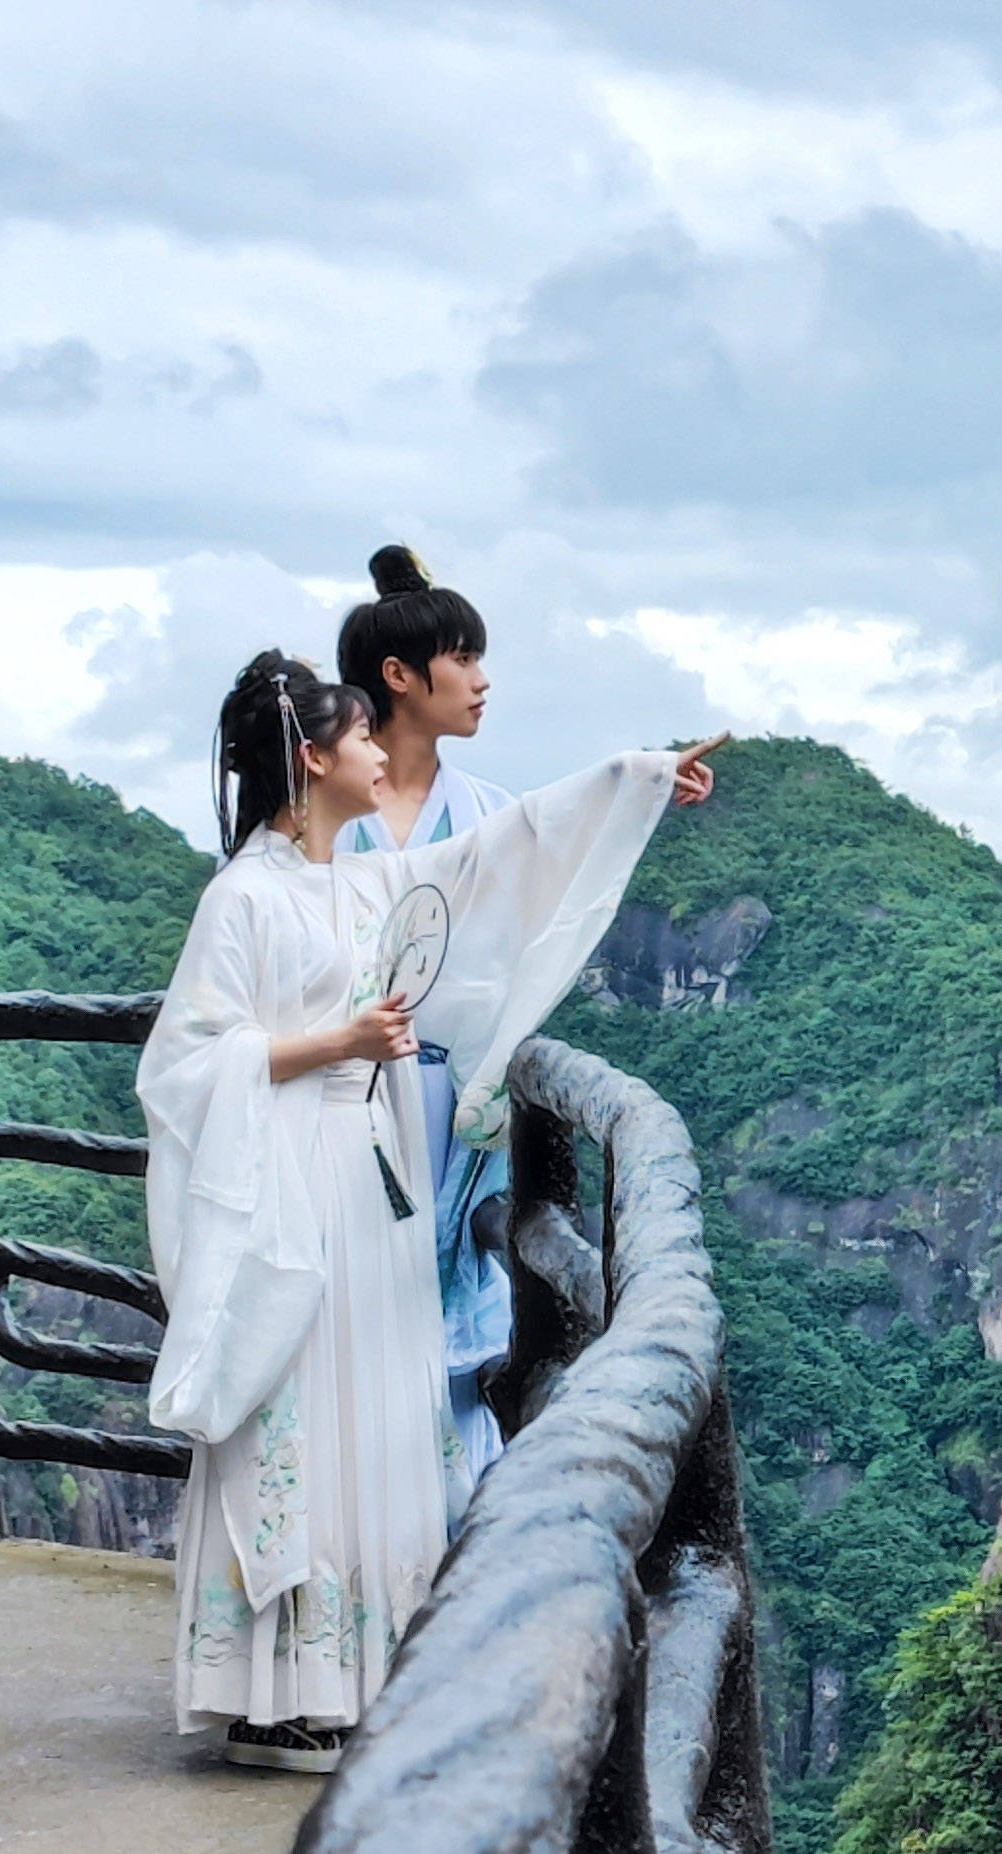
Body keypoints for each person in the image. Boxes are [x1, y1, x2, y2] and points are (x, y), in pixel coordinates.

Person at [137, 648, 720, 1773]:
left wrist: (637, 779)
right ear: (312, 757)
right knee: (297, 1416)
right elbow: (182, 1067)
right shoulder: (244, 895)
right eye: (357, 737)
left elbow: (502, 854)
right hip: (291, 1188)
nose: (375, 753)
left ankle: (354, 1676)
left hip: (368, 1186)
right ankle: (277, 1692)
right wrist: (336, 1043)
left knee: (377, 1416)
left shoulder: (357, 880)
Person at [333, 547, 517, 1513]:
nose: (482, 681)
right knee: (350, 1328)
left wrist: (650, 787)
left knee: (439, 1328)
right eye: (463, 659)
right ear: (400, 677)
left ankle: (440, 1543)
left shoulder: (487, 816)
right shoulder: (323, 813)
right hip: (345, 1097)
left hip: (450, 1103)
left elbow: (565, 866)